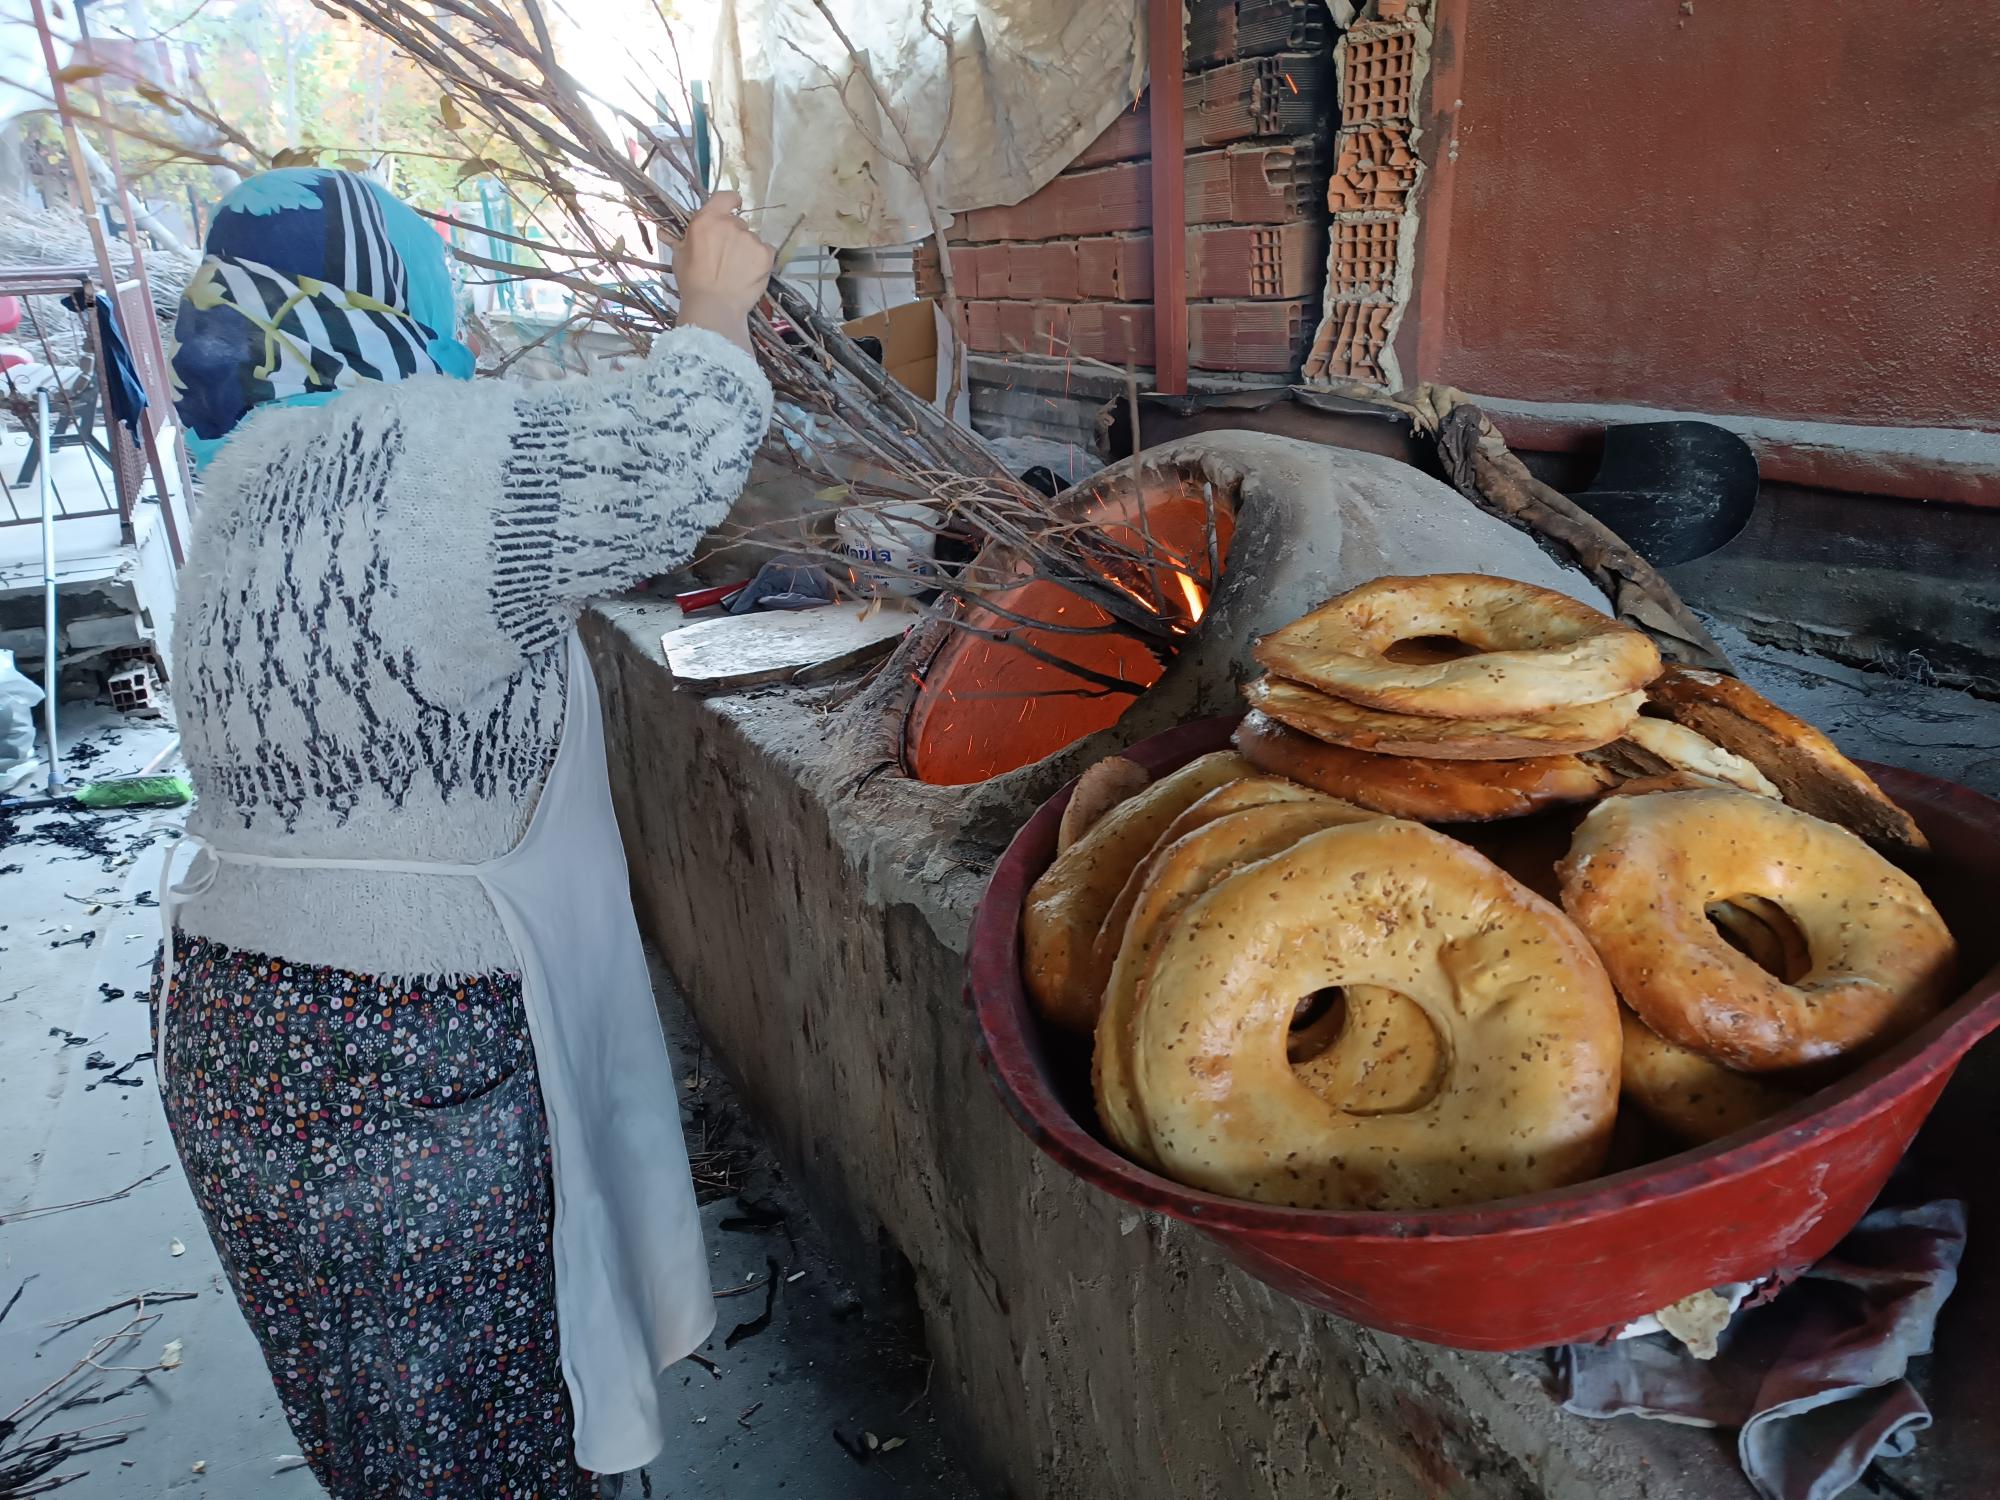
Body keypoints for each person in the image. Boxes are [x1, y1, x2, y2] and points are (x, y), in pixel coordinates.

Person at [155, 167, 775, 1497]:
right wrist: (713, 301)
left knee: (386, 1439)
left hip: (229, 1041)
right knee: (504, 1426)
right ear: (389, 297)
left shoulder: (241, 486)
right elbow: (677, 459)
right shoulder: (421, 450)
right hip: (409, 1058)